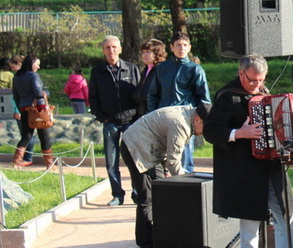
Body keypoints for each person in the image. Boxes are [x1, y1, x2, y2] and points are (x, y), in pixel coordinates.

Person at [203, 54, 293, 248]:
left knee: (288, 216)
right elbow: (210, 131)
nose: (257, 85)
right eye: (253, 80)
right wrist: (239, 133)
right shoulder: (227, 97)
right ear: (241, 74)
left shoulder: (265, 93)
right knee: (250, 225)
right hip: (243, 170)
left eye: (261, 80)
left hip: (272, 168)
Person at [120, 103, 211, 248]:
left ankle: (159, 241)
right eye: (205, 126)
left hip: (151, 147)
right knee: (148, 198)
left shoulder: (188, 117)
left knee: (160, 197)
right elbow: (174, 161)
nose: (204, 132)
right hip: (136, 147)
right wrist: (189, 185)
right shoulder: (180, 124)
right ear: (197, 119)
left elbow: (168, 152)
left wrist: (169, 173)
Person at [88, 35, 141, 206]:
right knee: (111, 162)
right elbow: (93, 98)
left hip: (131, 122)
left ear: (120, 49)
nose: (111, 51)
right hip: (110, 122)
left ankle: (137, 192)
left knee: (134, 160)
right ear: (103, 50)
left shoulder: (132, 69)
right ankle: (117, 195)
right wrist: (102, 118)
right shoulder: (97, 72)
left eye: (114, 47)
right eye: (107, 48)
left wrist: (138, 117)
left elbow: (140, 95)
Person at [147, 32, 211, 173]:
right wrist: (152, 115)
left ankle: (188, 190)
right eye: (178, 45)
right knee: (160, 160)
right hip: (162, 119)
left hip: (185, 121)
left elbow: (204, 99)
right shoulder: (162, 68)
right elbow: (153, 95)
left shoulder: (195, 70)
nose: (181, 48)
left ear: (189, 48)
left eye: (185, 45)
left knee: (184, 161)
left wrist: (200, 120)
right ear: (171, 47)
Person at [12, 55, 55, 169]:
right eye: (37, 64)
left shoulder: (16, 77)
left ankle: (16, 162)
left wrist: (21, 108)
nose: (39, 66)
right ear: (32, 64)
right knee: (44, 136)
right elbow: (38, 92)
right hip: (37, 111)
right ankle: (49, 164)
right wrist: (46, 93)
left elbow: (16, 96)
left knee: (26, 136)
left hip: (24, 109)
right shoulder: (33, 76)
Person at [8, 55, 34, 166]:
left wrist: (17, 110)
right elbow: (16, 96)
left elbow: (18, 97)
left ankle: (26, 158)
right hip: (21, 108)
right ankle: (25, 158)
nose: (12, 69)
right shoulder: (18, 77)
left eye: (12, 66)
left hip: (23, 109)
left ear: (19, 64)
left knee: (26, 135)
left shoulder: (24, 77)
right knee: (26, 134)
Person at [133, 38, 167, 118]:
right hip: (141, 115)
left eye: (148, 52)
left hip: (154, 117)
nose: (144, 55)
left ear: (157, 53)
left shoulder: (161, 71)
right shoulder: (145, 71)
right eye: (143, 52)